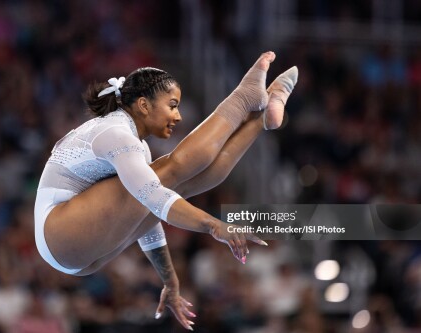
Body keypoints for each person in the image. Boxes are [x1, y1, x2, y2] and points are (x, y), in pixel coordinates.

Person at [34, 51, 298, 330]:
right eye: (172, 105)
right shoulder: (115, 135)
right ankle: (245, 97)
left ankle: (260, 121)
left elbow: (147, 206)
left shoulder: (135, 146)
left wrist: (170, 280)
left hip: (79, 250)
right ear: (144, 105)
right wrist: (212, 225)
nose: (178, 116)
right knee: (173, 170)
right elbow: (153, 198)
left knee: (184, 183)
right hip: (60, 230)